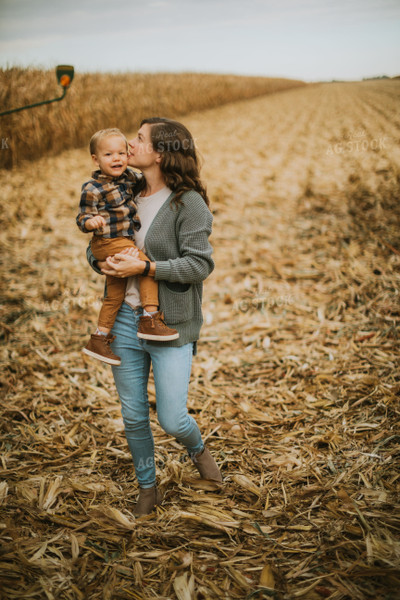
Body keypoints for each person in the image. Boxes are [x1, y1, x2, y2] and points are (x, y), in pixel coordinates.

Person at [86, 117, 222, 515]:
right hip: (126, 320)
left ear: (160, 153)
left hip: (170, 322)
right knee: (132, 414)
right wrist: (106, 263)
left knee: (172, 417)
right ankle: (148, 486)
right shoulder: (122, 190)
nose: (129, 142)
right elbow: (100, 242)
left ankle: (195, 447)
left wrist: (145, 269)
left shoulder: (187, 203)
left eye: (140, 138)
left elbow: (199, 266)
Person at [76, 128, 179, 366]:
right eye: (109, 154)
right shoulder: (92, 188)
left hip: (121, 242)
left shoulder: (129, 178)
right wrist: (91, 222)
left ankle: (99, 338)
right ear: (96, 159)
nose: (118, 159)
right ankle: (150, 317)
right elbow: (82, 217)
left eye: (122, 153)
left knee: (114, 295)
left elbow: (149, 180)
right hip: (107, 241)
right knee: (144, 268)